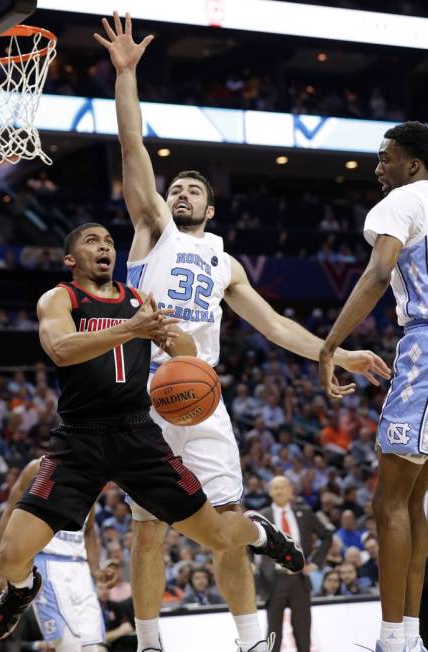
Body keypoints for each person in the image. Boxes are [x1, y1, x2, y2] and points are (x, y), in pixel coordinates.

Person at [94, 12, 391, 652]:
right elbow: (132, 150)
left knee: (224, 522)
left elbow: (277, 324)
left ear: (212, 206)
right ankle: (149, 645)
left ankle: (252, 642)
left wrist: (337, 350)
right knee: (148, 531)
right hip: (143, 394)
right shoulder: (151, 231)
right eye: (175, 187)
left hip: (201, 396)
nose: (181, 193)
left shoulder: (226, 261)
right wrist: (125, 77)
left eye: (194, 189)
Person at [0, 222, 306, 646]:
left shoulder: (139, 300)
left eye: (109, 242)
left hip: (137, 435)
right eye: (92, 241)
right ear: (70, 260)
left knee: (223, 534)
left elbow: (185, 353)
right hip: (77, 442)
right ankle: (23, 590)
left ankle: (261, 532)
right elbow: (61, 349)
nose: (104, 247)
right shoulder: (60, 298)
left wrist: (175, 344)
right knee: (9, 557)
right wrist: (133, 329)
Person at [319, 121, 428, 652]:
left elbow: (379, 271)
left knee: (388, 502)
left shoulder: (403, 201)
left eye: (386, 157)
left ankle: (390, 640)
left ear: (413, 164)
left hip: (425, 348)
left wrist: (330, 344)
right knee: (413, 501)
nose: (377, 166)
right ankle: (409, 636)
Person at [0, 458, 105, 652]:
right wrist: (0, 572)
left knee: (94, 646)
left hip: (79, 567)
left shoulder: (92, 476)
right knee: (68, 645)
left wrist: (96, 570)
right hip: (47, 563)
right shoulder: (38, 467)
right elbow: (9, 514)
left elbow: (90, 529)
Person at [258, 476, 332, 652]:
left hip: (299, 579)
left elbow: (327, 537)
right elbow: (247, 544)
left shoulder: (305, 513)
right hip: (273, 581)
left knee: (303, 630)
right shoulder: (261, 517)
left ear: (291, 490)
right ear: (270, 492)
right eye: (275, 487)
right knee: (273, 632)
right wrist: (251, 567)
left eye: (283, 487)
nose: (280, 491)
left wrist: (315, 563)